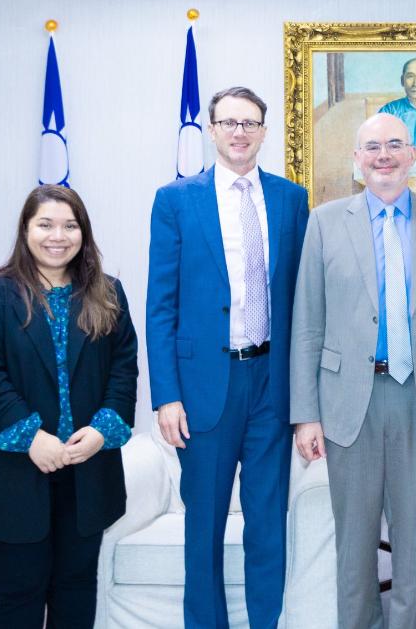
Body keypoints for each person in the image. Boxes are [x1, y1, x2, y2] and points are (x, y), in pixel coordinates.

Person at [290, 112, 416, 629]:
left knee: (415, 545)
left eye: (394, 144)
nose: (383, 155)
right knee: (354, 547)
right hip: (348, 402)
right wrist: (306, 415)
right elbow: (308, 324)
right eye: (372, 147)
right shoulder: (324, 222)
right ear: (357, 159)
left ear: (412, 155)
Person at [147, 86, 308, 628]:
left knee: (268, 523)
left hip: (271, 383)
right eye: (229, 123)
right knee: (205, 526)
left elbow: (304, 302)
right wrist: (166, 396)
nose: (240, 132)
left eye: (250, 123)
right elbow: (160, 306)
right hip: (203, 388)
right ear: (212, 130)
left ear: (264, 132)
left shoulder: (291, 200)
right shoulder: (176, 201)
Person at [0, 185, 137, 628]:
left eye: (70, 226)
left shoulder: (108, 293)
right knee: (19, 590)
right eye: (46, 225)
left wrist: (102, 431)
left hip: (86, 470)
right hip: (12, 474)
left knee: (77, 587)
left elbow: (123, 371)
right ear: (25, 230)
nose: (58, 236)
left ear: (83, 233)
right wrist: (32, 438)